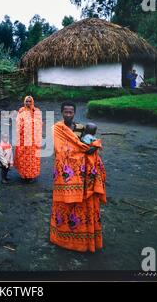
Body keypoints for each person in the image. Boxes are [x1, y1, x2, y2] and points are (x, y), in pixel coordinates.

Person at [50, 101, 107, 252]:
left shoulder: (81, 128)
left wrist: (90, 148)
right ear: (61, 112)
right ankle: (62, 238)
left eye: (71, 112)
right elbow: (60, 150)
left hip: (82, 174)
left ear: (74, 113)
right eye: (66, 112)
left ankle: (83, 238)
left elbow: (88, 143)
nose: (68, 114)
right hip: (65, 173)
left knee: (83, 203)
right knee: (64, 204)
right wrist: (81, 151)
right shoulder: (57, 129)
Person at [14, 96, 42, 183]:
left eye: (30, 101)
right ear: (24, 102)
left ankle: (31, 176)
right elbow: (18, 123)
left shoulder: (36, 111)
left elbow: (39, 123)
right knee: (23, 157)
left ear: (32, 102)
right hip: (23, 139)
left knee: (32, 158)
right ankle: (24, 174)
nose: (28, 103)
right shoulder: (21, 111)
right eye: (27, 101)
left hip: (33, 140)